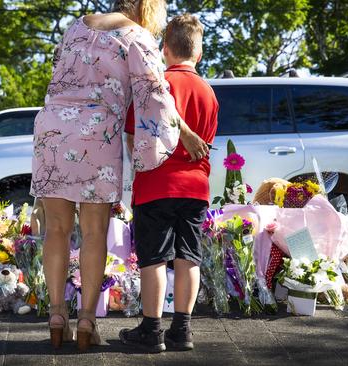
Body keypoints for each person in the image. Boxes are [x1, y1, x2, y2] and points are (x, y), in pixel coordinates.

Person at [30, 0, 209, 352]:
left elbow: (57, 75)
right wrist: (184, 134)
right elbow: (157, 94)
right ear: (148, 9)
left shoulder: (75, 27)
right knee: (94, 232)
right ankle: (86, 321)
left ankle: (56, 317)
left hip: (52, 129)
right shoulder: (137, 36)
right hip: (97, 135)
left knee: (57, 229)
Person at [119, 13, 219, 353]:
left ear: (164, 50)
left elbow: (133, 135)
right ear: (199, 54)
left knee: (154, 258)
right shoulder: (208, 92)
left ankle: (152, 328)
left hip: (156, 185)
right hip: (195, 188)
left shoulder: (157, 84)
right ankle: (183, 329)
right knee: (188, 256)